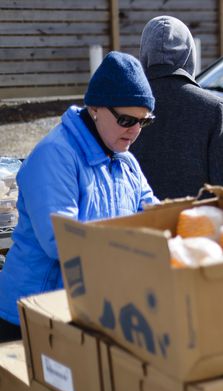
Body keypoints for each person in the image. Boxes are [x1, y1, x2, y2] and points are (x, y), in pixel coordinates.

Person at [0, 52, 158, 341]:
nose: (134, 130)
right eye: (125, 119)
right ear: (95, 108)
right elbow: (61, 241)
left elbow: (155, 216)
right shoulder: (55, 155)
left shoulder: (125, 161)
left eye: (143, 122)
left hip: (89, 309)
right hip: (33, 312)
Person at [131, 16, 223, 200]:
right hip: (197, 223)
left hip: (136, 222)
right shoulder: (216, 108)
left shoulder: (124, 106)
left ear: (144, 53)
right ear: (190, 53)